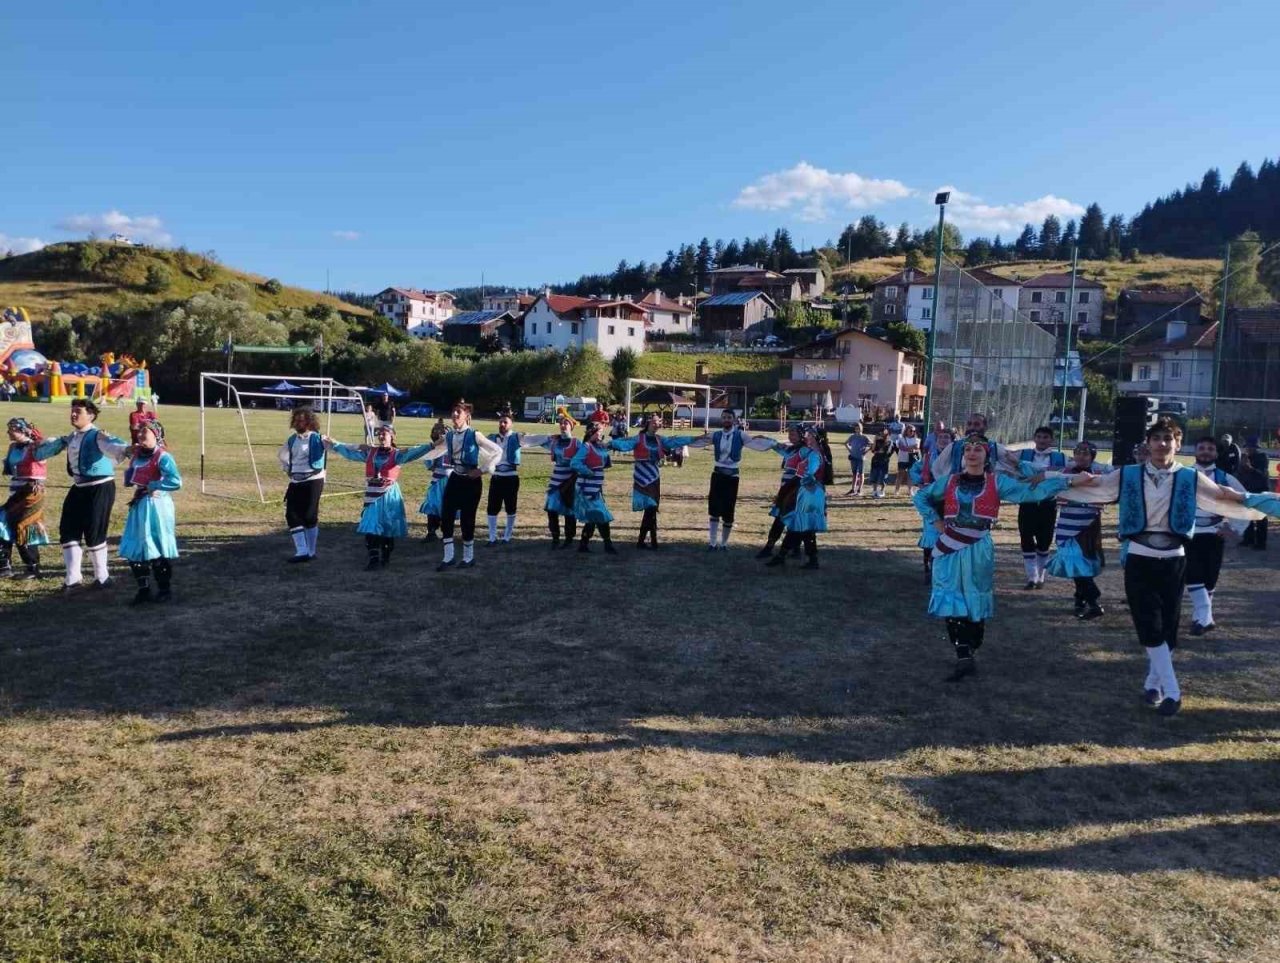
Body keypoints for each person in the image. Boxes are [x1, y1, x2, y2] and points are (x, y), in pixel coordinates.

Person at [1056, 418, 1266, 716]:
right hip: (1140, 557)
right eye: (1156, 438)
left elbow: (1224, 496)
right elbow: (1094, 486)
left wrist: (1256, 505)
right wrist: (1054, 481)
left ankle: (1153, 683)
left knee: (1167, 623)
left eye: (1168, 439)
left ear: (1178, 444)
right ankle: (1172, 690)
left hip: (1174, 558)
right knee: (1148, 622)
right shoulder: (1127, 474)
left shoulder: (1190, 478)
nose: (1162, 444)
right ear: (1148, 444)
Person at [913, 435, 1084, 682]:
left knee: (975, 594)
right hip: (949, 546)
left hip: (979, 547)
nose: (972, 453)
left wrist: (1064, 481)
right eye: (968, 449)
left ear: (987, 456)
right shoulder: (949, 481)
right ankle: (962, 654)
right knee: (950, 592)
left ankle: (970, 646)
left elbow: (1030, 493)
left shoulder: (997, 482)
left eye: (978, 449)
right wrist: (935, 521)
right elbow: (920, 497)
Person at [33, 398, 128, 591]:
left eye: (79, 411)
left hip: (100, 487)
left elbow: (116, 447)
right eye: (73, 410)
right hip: (79, 487)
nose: (73, 414)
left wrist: (126, 450)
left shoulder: (98, 435)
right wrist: (39, 447)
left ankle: (102, 577)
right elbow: (41, 454)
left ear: (91, 415)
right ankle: (73, 578)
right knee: (68, 530)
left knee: (94, 531)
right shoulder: (71, 437)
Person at [325, 423, 434, 570]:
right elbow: (350, 453)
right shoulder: (370, 452)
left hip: (389, 494)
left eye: (385, 433)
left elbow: (416, 451)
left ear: (392, 436)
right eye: (380, 434)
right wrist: (335, 445)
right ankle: (374, 558)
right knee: (371, 524)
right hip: (372, 494)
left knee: (388, 527)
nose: (382, 436)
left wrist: (433, 445)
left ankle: (386, 555)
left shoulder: (397, 454)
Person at [420, 400, 502, 571]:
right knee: (446, 516)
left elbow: (497, 451)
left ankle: (468, 557)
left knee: (467, 519)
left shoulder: (474, 434)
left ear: (467, 416)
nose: (455, 414)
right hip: (455, 478)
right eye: (453, 411)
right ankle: (448, 557)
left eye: (459, 412)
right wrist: (411, 453)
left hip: (471, 482)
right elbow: (434, 449)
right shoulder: (449, 435)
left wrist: (482, 470)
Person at [604, 412, 700, 549]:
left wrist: (694, 438)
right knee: (650, 508)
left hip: (654, 477)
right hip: (641, 477)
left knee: (652, 509)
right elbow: (624, 444)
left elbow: (676, 442)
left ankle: (650, 541)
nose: (657, 424)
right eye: (654, 422)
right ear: (648, 424)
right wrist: (610, 444)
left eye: (658, 422)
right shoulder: (639, 439)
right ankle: (645, 541)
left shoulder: (660, 440)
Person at [1184, 436, 1247, 635]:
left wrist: (1234, 528)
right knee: (1192, 575)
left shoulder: (1226, 478)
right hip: (1189, 533)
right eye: (1201, 448)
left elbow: (1244, 502)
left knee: (1210, 578)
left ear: (1216, 454)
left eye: (1210, 449)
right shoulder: (1183, 475)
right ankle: (1205, 617)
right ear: (1195, 452)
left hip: (1215, 533)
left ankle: (1200, 618)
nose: (1205, 452)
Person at [1044, 441, 1113, 620]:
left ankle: (1089, 601)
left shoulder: (1101, 473)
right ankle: (1084, 599)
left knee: (1080, 563)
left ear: (1092, 457)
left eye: (1085, 454)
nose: (1081, 457)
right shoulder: (1063, 473)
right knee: (1074, 563)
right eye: (1078, 453)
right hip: (1067, 524)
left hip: (1088, 525)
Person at [119, 421, 182, 604]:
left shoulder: (163, 456)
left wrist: (154, 485)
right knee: (137, 547)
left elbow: (176, 481)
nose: (140, 435)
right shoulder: (138, 454)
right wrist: (129, 478)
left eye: (144, 432)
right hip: (140, 504)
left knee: (157, 546)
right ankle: (143, 589)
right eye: (139, 432)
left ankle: (164, 589)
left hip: (157, 506)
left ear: (156, 435)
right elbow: (132, 476)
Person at [765, 425, 828, 570]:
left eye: (810, 435)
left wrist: (789, 489)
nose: (807, 437)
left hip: (808, 494)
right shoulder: (812, 452)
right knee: (802, 527)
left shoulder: (814, 454)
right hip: (808, 493)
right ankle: (807, 559)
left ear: (816, 438)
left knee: (800, 525)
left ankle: (784, 556)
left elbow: (808, 474)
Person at [1014, 426, 1067, 589]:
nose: (1042, 440)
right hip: (1027, 503)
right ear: (1034, 438)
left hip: (1048, 504)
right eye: (1039, 436)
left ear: (1051, 440)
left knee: (1044, 541)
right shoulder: (1023, 454)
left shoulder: (1061, 458)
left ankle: (1041, 575)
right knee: (1026, 539)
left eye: (1045, 437)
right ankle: (1032, 577)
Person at [1, 417, 50, 580]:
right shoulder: (13, 447)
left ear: (22, 430)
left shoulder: (35, 447)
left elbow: (45, 445)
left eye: (11, 429)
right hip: (15, 490)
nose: (8, 432)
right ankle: (4, 565)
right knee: (4, 522)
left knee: (24, 527)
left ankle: (32, 568)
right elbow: (10, 469)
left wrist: (34, 434)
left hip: (31, 491)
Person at [277, 407, 327, 563]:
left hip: (314, 480)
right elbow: (282, 455)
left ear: (310, 422)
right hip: (295, 481)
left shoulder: (318, 438)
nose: (299, 422)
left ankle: (311, 552)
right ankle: (302, 551)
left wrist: (360, 449)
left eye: (302, 420)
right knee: (291, 515)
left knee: (309, 516)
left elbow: (337, 447)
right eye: (296, 420)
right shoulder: (292, 439)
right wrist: (287, 469)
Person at [755, 425, 806, 559]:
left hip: (796, 490)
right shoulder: (790, 450)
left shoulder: (805, 451)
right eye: (789, 434)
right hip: (785, 489)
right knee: (782, 519)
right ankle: (772, 547)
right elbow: (776, 445)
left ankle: (793, 549)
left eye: (793, 434)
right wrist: (764, 438)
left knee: (788, 519)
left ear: (801, 435)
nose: (790, 436)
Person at [910, 427, 953, 579]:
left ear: (952, 440)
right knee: (931, 531)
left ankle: (944, 567)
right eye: (941, 437)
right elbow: (914, 470)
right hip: (931, 499)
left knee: (948, 531)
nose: (943, 440)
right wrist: (920, 483)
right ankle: (928, 568)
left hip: (951, 499)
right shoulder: (929, 457)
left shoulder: (957, 457)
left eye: (947, 437)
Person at [569, 419, 618, 554]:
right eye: (600, 431)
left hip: (596, 488)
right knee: (602, 516)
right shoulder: (586, 446)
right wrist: (587, 471)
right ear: (592, 432)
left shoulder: (600, 446)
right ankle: (607, 544)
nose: (601, 434)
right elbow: (574, 463)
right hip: (586, 488)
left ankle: (583, 545)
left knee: (593, 518)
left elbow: (604, 462)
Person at [486, 406, 532, 546]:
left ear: (511, 423)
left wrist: (549, 438)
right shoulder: (492, 438)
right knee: (492, 507)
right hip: (497, 476)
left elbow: (534, 440)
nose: (502, 424)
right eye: (501, 422)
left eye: (505, 422)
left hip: (511, 477)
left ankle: (507, 536)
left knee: (511, 507)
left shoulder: (517, 437)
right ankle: (492, 538)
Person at [927, 411, 1020, 481]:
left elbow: (1014, 465)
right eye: (969, 424)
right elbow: (936, 467)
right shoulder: (954, 447)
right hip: (958, 494)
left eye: (977, 424)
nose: (972, 427)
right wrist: (946, 484)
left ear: (985, 427)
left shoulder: (995, 447)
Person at [417, 421, 450, 542]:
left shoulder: (454, 447)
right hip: (437, 481)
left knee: (448, 506)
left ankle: (447, 533)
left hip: (450, 481)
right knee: (433, 505)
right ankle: (431, 531)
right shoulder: (434, 448)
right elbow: (429, 465)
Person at [1239, 436, 1270, 550]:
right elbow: (1241, 473)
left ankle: (1261, 543)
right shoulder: (1245, 457)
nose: (1248, 449)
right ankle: (1248, 539)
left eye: (1251, 447)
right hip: (1247, 490)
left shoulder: (1263, 457)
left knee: (1260, 518)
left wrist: (1250, 468)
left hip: (1261, 490)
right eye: (1247, 447)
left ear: (1256, 447)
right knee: (1247, 517)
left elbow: (1263, 474)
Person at [892, 423, 921, 496]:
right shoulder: (901, 438)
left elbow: (917, 448)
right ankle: (896, 490)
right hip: (902, 459)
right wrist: (912, 447)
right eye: (910, 431)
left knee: (910, 475)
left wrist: (909, 448)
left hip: (911, 459)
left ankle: (910, 491)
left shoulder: (917, 439)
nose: (912, 432)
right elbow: (902, 448)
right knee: (900, 474)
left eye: (913, 431)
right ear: (906, 431)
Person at [844, 423, 870, 496]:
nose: (857, 429)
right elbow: (845, 443)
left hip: (861, 458)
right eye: (856, 428)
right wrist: (850, 450)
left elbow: (871, 444)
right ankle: (853, 489)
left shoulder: (864, 437)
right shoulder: (852, 436)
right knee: (854, 474)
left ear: (861, 428)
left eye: (858, 428)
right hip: (853, 457)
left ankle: (859, 490)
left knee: (861, 474)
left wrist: (865, 451)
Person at [868, 429, 893, 499]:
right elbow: (873, 450)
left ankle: (882, 491)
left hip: (884, 461)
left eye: (884, 432)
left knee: (882, 476)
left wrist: (877, 451)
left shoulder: (889, 442)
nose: (882, 434)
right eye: (881, 432)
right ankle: (874, 490)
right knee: (874, 475)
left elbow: (885, 451)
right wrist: (875, 440)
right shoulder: (878, 441)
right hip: (876, 460)